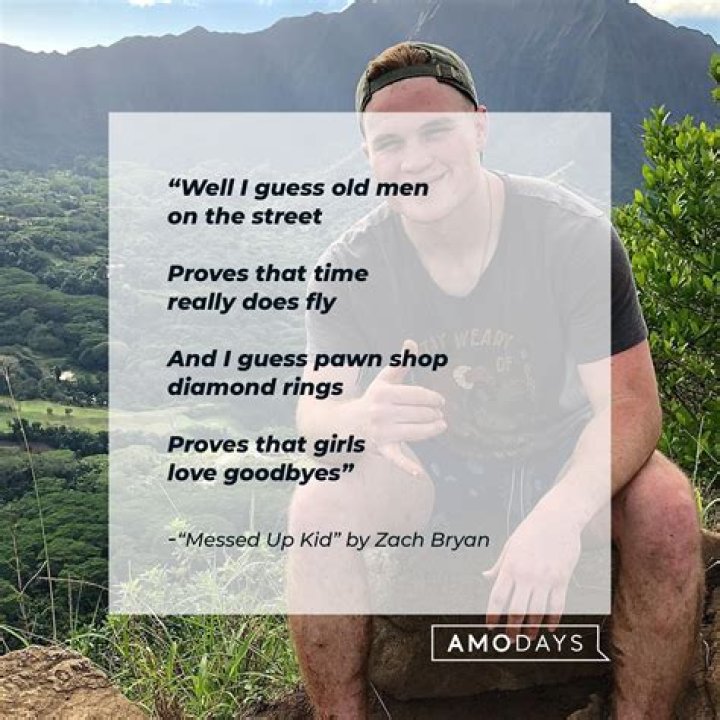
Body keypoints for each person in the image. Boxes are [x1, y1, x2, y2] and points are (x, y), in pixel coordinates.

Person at [287, 42, 703, 719]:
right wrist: (360, 417)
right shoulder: (350, 267)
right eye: (390, 142)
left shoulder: (570, 238)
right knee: (317, 509)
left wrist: (561, 514)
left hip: (561, 453)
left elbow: (631, 405)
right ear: (368, 156)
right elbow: (315, 415)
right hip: (431, 472)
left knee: (667, 508)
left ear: (480, 126)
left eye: (436, 130)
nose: (414, 160)